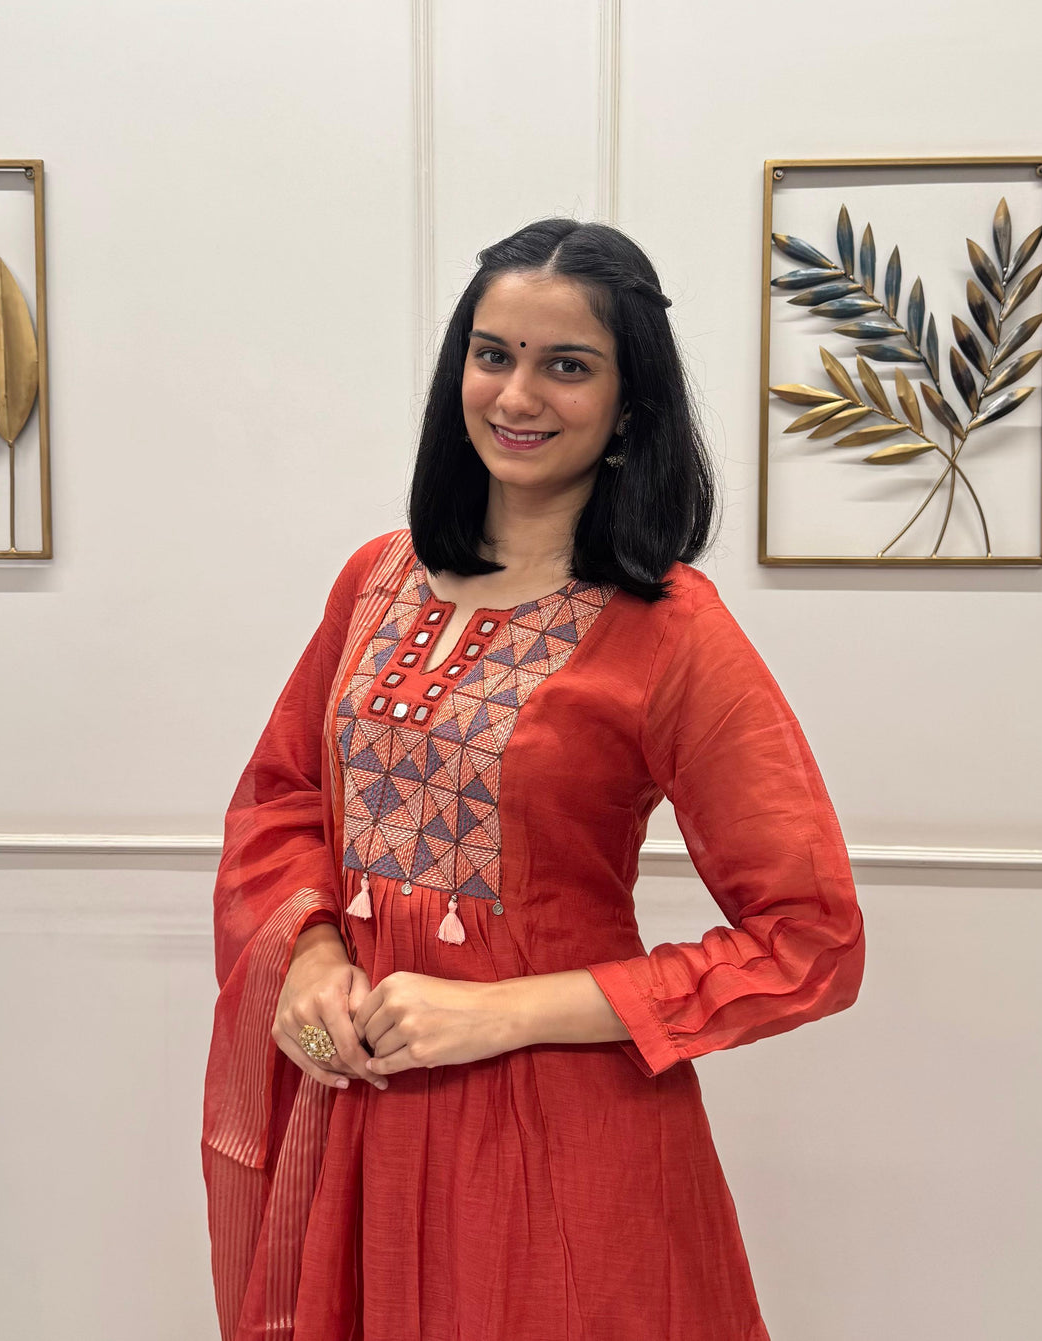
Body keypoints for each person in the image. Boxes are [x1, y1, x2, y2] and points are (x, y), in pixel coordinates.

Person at [202, 217, 866, 1340]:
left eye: (566, 366)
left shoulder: (670, 632)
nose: (516, 395)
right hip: (362, 1107)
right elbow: (283, 799)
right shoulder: (376, 580)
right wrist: (309, 961)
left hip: (555, 1134)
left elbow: (809, 936)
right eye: (492, 353)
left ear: (627, 404)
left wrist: (500, 1015)